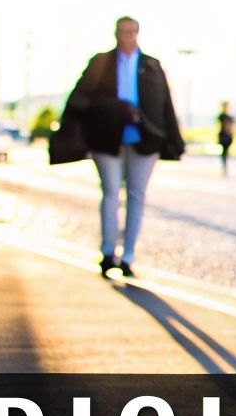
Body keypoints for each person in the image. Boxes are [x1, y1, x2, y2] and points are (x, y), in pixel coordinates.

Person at [52, 16, 185, 277]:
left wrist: (174, 141)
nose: (128, 37)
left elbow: (165, 105)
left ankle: (128, 256)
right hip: (106, 139)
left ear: (138, 33)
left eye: (132, 32)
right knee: (111, 193)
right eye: (123, 32)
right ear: (115, 33)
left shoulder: (150, 65)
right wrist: (117, 110)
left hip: (144, 141)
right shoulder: (101, 62)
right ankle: (107, 252)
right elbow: (81, 98)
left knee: (136, 196)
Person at [216, 102, 236, 175]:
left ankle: (226, 165)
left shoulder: (231, 117)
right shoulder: (221, 116)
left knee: (226, 151)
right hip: (223, 136)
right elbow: (218, 126)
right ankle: (224, 166)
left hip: (228, 136)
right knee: (224, 152)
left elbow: (233, 128)